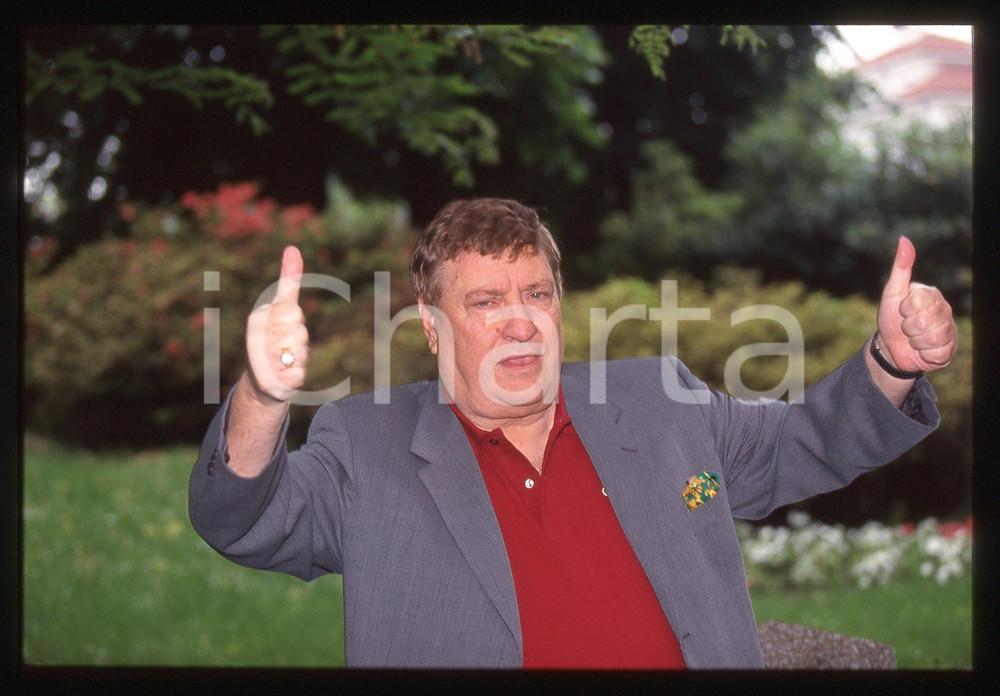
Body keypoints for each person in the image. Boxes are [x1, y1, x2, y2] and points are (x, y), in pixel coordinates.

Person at [189, 198, 956, 669]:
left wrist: (892, 360)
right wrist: (263, 392)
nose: (520, 318)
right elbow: (246, 519)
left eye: (535, 292)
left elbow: (805, 441)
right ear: (430, 326)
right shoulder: (370, 441)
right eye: (486, 301)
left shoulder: (658, 400)